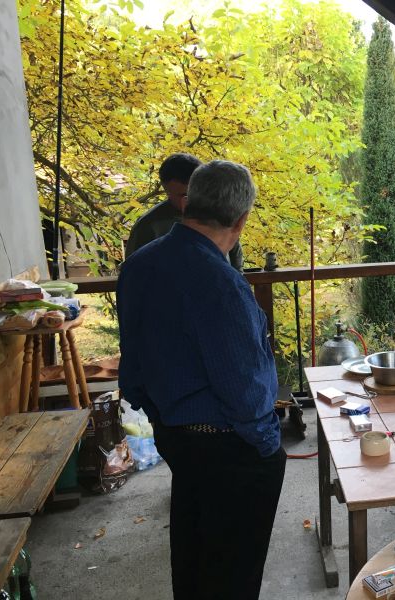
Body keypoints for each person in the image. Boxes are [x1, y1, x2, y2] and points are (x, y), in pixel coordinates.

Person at [117, 160, 285, 599]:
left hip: (174, 436)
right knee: (231, 575)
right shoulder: (222, 284)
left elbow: (132, 370)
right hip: (228, 449)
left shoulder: (139, 265)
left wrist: (163, 418)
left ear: (189, 202)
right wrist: (268, 447)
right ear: (241, 220)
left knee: (193, 558)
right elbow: (247, 393)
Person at [126, 153, 244, 270]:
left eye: (200, 191)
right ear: (166, 190)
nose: (194, 199)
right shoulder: (148, 227)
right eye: (184, 195)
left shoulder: (220, 213)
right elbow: (134, 272)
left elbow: (236, 262)